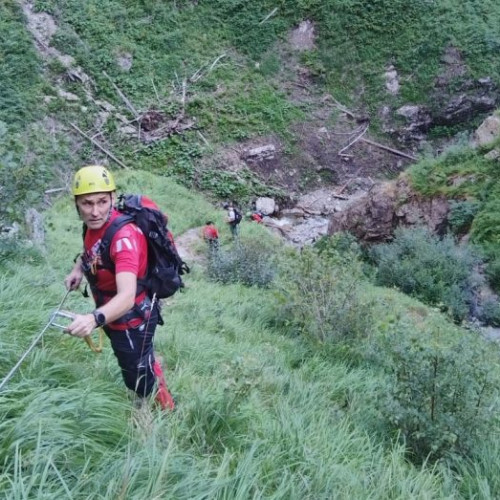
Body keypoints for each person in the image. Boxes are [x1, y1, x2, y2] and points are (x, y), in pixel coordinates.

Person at [64, 165, 174, 410]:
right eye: (87, 203)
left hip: (131, 319)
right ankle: (152, 375)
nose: (95, 211)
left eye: (102, 202)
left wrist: (92, 320)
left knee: (135, 376)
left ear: (113, 198)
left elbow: (125, 297)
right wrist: (77, 269)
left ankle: (149, 415)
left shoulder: (123, 238)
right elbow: (91, 251)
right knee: (140, 361)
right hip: (111, 314)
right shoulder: (93, 226)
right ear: (76, 204)